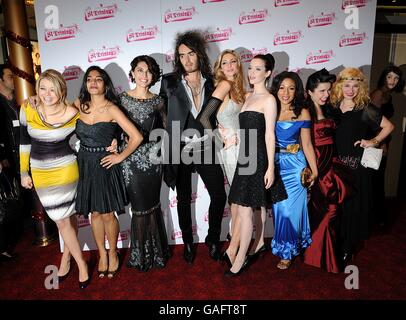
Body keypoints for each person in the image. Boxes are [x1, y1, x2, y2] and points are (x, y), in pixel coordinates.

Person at [159, 30, 227, 264]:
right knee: (184, 198)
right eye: (181, 55)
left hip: (206, 146)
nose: (186, 60)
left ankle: (213, 238)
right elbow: (161, 113)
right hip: (180, 148)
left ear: (199, 54)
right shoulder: (169, 82)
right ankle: (187, 241)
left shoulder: (214, 81)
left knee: (219, 194)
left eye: (191, 54)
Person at [19, 69, 90, 288]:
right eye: (43, 88)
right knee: (63, 220)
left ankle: (80, 265)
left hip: (66, 170)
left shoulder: (73, 113)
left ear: (61, 91)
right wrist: (23, 172)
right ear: (37, 90)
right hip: (40, 172)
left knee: (65, 219)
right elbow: (24, 143)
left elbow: (86, 137)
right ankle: (70, 260)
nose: (47, 94)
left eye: (53, 89)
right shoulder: (27, 108)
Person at [74, 66, 142, 279]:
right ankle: (101, 254)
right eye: (89, 79)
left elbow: (136, 136)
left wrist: (120, 155)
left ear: (105, 84)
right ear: (85, 83)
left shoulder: (112, 109)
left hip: (105, 164)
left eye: (99, 79)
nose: (93, 82)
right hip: (85, 164)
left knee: (106, 213)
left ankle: (113, 253)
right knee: (94, 212)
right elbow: (56, 114)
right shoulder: (78, 105)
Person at [226, 54, 287, 276]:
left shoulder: (269, 100)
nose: (251, 73)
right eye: (250, 68)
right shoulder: (249, 96)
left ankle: (240, 257)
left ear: (268, 73)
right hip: (245, 156)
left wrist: (270, 167)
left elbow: (270, 135)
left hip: (258, 157)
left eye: (258, 69)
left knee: (245, 209)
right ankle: (254, 245)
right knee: (248, 207)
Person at [330, 67, 394, 264]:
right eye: (347, 85)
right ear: (340, 86)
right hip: (334, 164)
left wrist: (372, 141)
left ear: (360, 88)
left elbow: (389, 126)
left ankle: (348, 247)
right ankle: (336, 242)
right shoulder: (332, 106)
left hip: (355, 166)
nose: (351, 90)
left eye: (355, 86)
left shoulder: (364, 108)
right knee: (336, 207)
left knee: (352, 208)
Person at [194, 49, 245, 265]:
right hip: (231, 149)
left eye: (234, 62)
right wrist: (220, 140)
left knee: (238, 196)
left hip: (244, 146)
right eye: (225, 63)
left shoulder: (239, 88)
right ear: (220, 68)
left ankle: (235, 239)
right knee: (237, 196)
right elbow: (204, 117)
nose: (230, 66)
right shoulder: (224, 85)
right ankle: (233, 245)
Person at [119, 55, 170, 271]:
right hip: (130, 160)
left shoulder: (159, 101)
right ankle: (140, 255)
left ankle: (157, 253)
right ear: (132, 73)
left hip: (153, 159)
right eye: (140, 70)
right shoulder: (120, 99)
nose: (144, 75)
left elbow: (167, 130)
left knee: (152, 205)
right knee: (139, 208)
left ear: (153, 75)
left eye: (148, 71)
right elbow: (111, 125)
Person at [303, 69, 353, 273]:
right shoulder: (305, 113)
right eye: (322, 91)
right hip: (318, 167)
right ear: (310, 92)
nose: (326, 95)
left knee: (333, 211)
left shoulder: (331, 110)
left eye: (328, 91)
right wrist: (312, 170)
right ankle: (318, 255)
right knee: (324, 211)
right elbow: (305, 144)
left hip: (332, 166)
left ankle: (325, 254)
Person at [270, 71, 318, 270]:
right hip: (275, 165)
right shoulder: (269, 109)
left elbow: (307, 144)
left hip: (296, 166)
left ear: (297, 90)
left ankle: (287, 252)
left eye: (291, 88)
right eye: (281, 87)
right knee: (280, 210)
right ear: (276, 89)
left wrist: (313, 170)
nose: (286, 93)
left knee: (291, 212)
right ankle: (284, 245)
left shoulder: (302, 112)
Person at [370, 65, 405, 227]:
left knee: (376, 180)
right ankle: (375, 218)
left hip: (381, 140)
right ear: (384, 77)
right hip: (376, 141)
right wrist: (381, 143)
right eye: (390, 77)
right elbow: (373, 121)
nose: (393, 81)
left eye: (396, 78)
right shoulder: (378, 93)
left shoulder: (388, 95)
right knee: (374, 181)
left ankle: (376, 218)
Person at [0, 63, 23, 262]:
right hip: (5, 161)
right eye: (9, 76)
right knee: (7, 202)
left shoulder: (14, 103)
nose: (13, 79)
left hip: (18, 158)